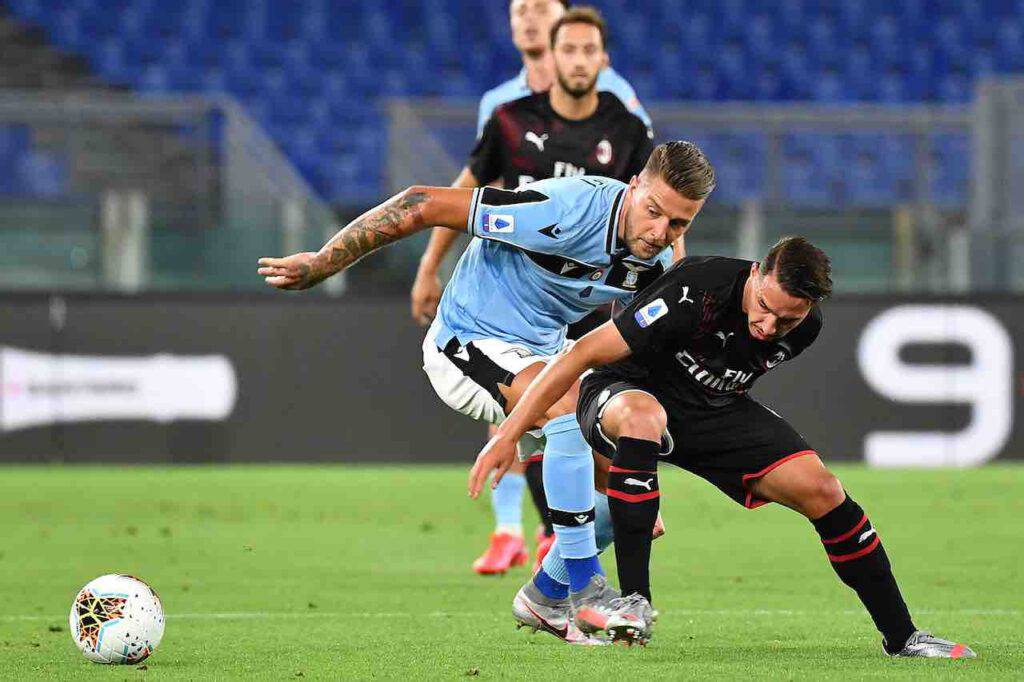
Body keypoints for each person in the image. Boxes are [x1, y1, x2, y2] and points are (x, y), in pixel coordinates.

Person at [258, 140, 716, 644]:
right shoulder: (562, 210)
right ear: (633, 188)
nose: (659, 233)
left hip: (545, 353)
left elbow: (631, 343)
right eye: (653, 211)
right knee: (567, 413)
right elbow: (421, 203)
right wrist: (324, 263)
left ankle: (545, 597)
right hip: (467, 342)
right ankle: (588, 595)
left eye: (678, 224)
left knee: (633, 501)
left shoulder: (658, 263)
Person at [469, 237, 978, 657]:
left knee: (823, 490)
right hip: (622, 391)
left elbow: (730, 373)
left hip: (714, 409)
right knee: (645, 419)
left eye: (787, 321)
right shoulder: (696, 289)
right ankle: (633, 601)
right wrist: (511, 432)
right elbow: (584, 353)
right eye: (765, 309)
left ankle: (903, 636)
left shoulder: (805, 328)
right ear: (756, 273)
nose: (768, 327)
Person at [410, 0, 657, 576]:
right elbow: (471, 192)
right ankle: (522, 536)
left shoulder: (618, 106)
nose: (528, 18)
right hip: (511, 291)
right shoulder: (503, 108)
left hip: (586, 294)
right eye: (519, 9)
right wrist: (431, 267)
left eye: (539, 8)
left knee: (574, 420)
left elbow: (652, 207)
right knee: (530, 405)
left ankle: (563, 538)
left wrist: (659, 286)